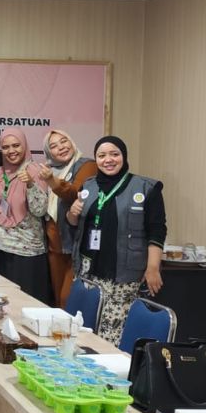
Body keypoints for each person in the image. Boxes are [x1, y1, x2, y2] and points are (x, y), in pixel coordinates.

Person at [67, 136, 166, 346]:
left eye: (114, 154)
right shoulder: (88, 185)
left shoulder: (145, 188)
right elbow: (75, 224)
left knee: (111, 337)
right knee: (84, 331)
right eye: (101, 155)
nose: (108, 160)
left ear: (124, 156)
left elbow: (157, 231)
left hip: (123, 275)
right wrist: (72, 213)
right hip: (88, 271)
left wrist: (153, 267)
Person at [0, 128, 52, 304]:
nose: (11, 151)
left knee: (24, 304)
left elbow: (40, 210)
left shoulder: (35, 171)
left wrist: (30, 184)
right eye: (6, 147)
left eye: (16, 145)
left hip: (26, 251)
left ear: (25, 146)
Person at [38, 130, 97, 308]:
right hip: (54, 245)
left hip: (75, 244)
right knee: (56, 298)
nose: (61, 147)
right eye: (54, 146)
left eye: (64, 141)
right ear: (49, 153)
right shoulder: (48, 170)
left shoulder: (86, 165)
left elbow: (76, 193)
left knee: (67, 299)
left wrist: (52, 181)